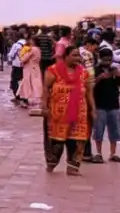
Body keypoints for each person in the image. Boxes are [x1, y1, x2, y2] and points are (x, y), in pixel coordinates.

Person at [43, 43, 93, 175]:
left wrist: (93, 109)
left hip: (79, 114)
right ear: (66, 56)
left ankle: (72, 168)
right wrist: (44, 107)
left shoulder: (84, 73)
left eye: (78, 55)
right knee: (56, 142)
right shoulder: (53, 70)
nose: (77, 58)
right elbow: (46, 90)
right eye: (74, 55)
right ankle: (51, 166)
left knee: (76, 141)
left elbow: (89, 93)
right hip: (58, 115)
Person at [90, 47, 120, 164]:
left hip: (114, 104)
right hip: (100, 104)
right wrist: (99, 78)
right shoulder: (95, 70)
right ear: (100, 59)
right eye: (105, 60)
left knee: (114, 129)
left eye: (109, 60)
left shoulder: (114, 69)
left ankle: (113, 153)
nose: (107, 62)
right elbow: (89, 86)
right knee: (99, 130)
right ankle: (98, 153)